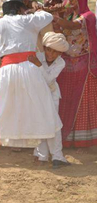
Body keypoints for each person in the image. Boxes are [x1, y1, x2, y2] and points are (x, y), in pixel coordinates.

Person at [0, 0, 62, 150]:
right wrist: (34, 9)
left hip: (6, 70)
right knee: (37, 104)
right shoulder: (28, 20)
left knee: (2, 108)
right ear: (20, 8)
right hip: (29, 68)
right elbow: (47, 16)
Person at [55, 0, 97, 148]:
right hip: (67, 67)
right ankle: (68, 139)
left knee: (82, 101)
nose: (70, 2)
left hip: (84, 67)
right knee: (67, 100)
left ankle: (85, 140)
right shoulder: (69, 15)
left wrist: (55, 17)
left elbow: (72, 26)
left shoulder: (88, 16)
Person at [28, 32, 70, 168]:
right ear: (44, 48)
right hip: (37, 94)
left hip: (52, 94)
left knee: (53, 124)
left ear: (60, 53)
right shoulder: (38, 56)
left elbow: (48, 79)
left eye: (55, 52)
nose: (50, 54)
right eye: (48, 50)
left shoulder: (60, 62)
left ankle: (56, 156)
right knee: (40, 122)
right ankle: (42, 155)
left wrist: (39, 65)